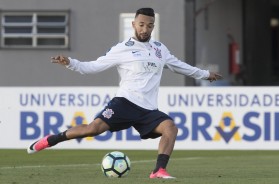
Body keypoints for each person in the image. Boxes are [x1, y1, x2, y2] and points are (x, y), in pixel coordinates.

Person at [27, 7, 222, 179]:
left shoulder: (159, 49)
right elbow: (92, 67)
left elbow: (180, 66)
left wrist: (205, 75)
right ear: (133, 24)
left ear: (153, 26)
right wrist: (70, 63)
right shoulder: (122, 49)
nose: (145, 29)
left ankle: (158, 171)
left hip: (148, 109)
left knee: (170, 128)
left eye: (150, 25)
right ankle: (50, 140)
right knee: (92, 129)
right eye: (141, 24)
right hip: (125, 103)